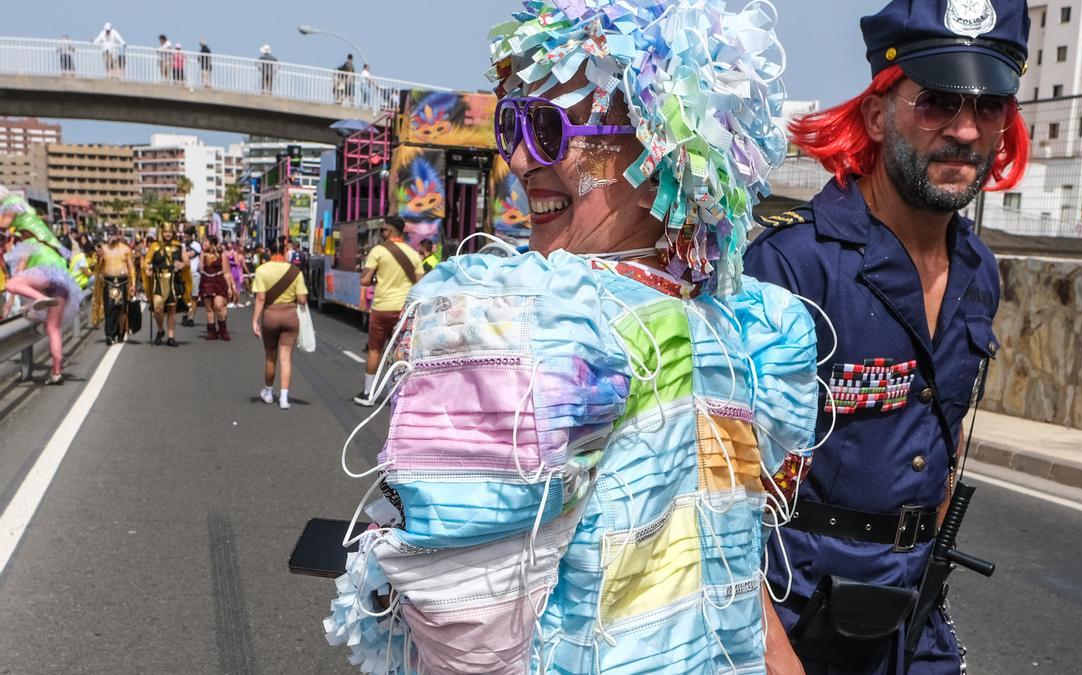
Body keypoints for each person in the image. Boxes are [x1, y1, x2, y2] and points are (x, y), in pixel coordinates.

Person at [322, 2, 818, 673]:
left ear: (662, 144)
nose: (522, 158)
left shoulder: (547, 322)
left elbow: (463, 628)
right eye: (515, 124)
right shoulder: (752, 329)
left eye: (553, 129)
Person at [743, 1, 1031, 673]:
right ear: (877, 114)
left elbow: (941, 435)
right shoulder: (792, 265)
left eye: (989, 107)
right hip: (796, 617)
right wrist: (771, 653)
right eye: (934, 102)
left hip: (912, 618)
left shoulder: (978, 269)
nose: (964, 129)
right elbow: (713, 488)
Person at [1, 203, 81, 385]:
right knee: (54, 329)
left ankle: (42, 299)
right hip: (63, 285)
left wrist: (10, 302)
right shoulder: (51, 246)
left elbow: (19, 274)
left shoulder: (29, 245)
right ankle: (56, 372)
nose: (18, 238)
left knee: (11, 283)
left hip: (45, 279)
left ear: (27, 233)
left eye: (20, 235)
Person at [352, 217, 422, 406]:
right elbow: (421, 283)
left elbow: (365, 280)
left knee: (375, 349)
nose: (382, 233)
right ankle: (401, 396)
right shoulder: (414, 254)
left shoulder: (379, 251)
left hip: (382, 308)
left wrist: (372, 276)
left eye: (383, 230)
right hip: (404, 310)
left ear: (390, 232)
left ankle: (368, 393)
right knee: (402, 352)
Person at [251, 239, 307, 410]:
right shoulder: (295, 271)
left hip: (271, 316)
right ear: (285, 251)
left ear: (269, 251)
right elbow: (302, 299)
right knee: (286, 358)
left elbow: (260, 297)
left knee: (270, 357)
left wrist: (255, 320)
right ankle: (284, 398)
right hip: (290, 316)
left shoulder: (261, 270)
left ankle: (268, 392)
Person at [143, 227, 189, 346]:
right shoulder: (154, 246)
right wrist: (147, 268)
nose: (167, 234)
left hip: (173, 280)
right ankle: (160, 330)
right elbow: (147, 261)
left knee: (172, 309)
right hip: (158, 280)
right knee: (158, 308)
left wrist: (182, 264)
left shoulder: (179, 246)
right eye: (165, 232)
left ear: (173, 233)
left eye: (170, 232)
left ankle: (171, 336)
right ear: (161, 233)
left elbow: (187, 262)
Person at [94, 229, 136, 345]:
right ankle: (109, 334)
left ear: (118, 235)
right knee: (110, 309)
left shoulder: (125, 249)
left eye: (114, 234)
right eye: (110, 234)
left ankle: (121, 332)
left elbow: (131, 267)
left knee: (121, 309)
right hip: (109, 282)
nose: (112, 237)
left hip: (123, 282)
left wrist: (133, 284)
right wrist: (98, 258)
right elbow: (97, 266)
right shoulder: (103, 249)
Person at [199, 236, 234, 341]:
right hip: (207, 281)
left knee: (218, 305)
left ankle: (223, 329)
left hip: (219, 281)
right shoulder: (203, 254)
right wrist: (204, 258)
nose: (204, 244)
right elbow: (200, 268)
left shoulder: (222, 255)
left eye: (206, 242)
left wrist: (230, 287)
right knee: (209, 308)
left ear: (212, 243)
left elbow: (226, 272)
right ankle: (211, 331)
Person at [184, 228, 202, 327]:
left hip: (194, 273)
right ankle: (187, 314)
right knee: (185, 296)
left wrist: (183, 254)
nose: (185, 237)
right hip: (185, 274)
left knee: (194, 296)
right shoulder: (182, 245)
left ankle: (191, 318)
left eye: (186, 235)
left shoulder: (196, 245)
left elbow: (190, 254)